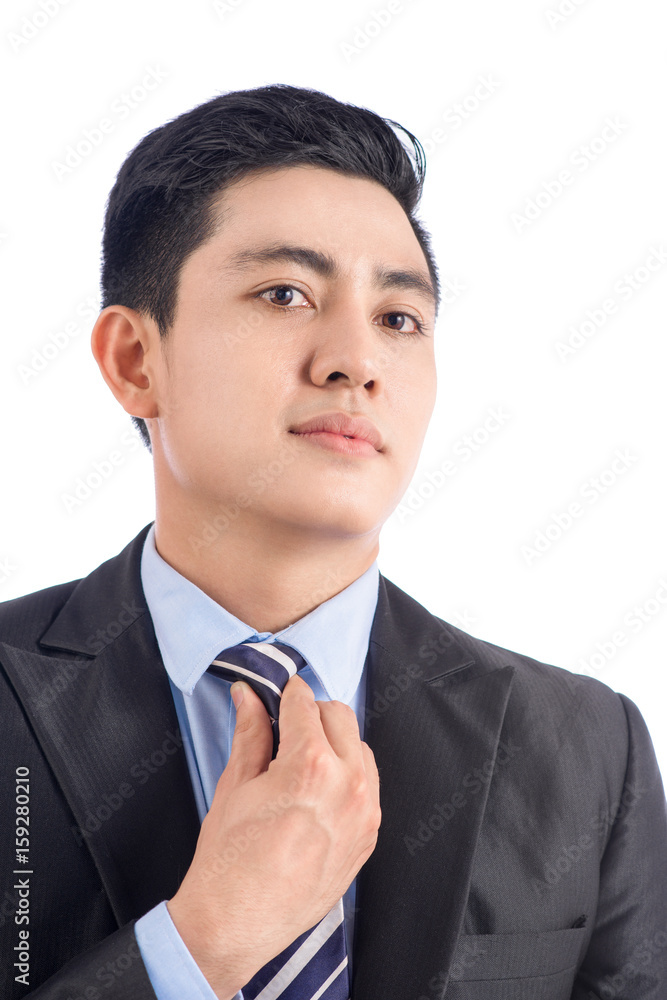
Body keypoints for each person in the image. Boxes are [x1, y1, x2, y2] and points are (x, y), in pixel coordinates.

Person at [1, 83, 665, 1000]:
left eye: (398, 318)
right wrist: (201, 946)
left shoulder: (589, 747)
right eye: (285, 293)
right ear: (133, 360)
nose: (355, 359)